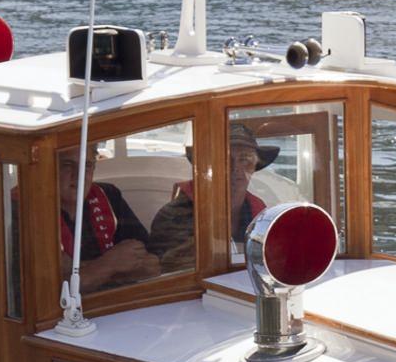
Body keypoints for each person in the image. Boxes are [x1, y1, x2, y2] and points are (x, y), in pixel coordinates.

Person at [145, 124, 269, 273]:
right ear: (207, 167)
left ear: (254, 167)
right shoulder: (172, 216)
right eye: (224, 159)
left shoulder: (261, 214)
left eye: (245, 159)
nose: (235, 169)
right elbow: (172, 273)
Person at [59, 143, 158, 293]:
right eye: (67, 165)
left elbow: (152, 265)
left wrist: (89, 273)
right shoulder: (21, 210)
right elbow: (54, 291)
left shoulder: (109, 195)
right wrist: (110, 264)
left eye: (87, 165)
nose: (79, 175)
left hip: (115, 304)